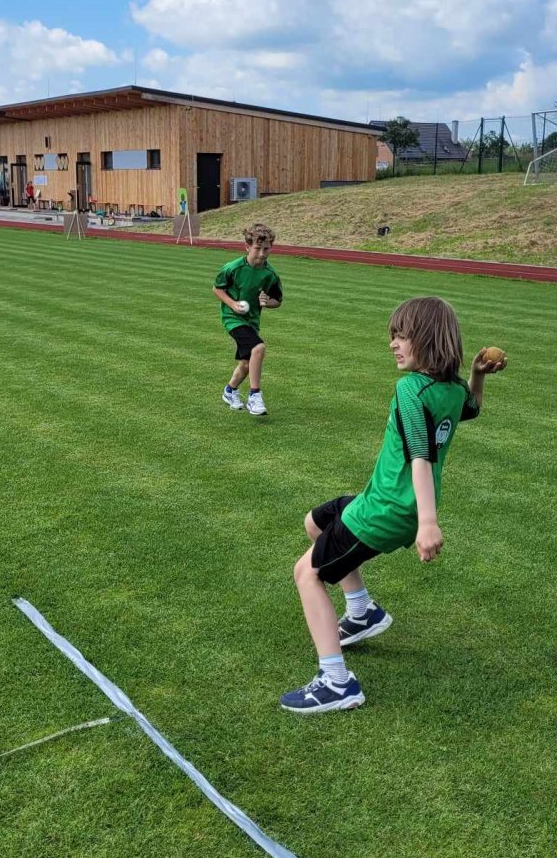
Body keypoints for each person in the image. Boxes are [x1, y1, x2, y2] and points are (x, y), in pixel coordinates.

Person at [278, 297, 507, 714]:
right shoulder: (452, 388)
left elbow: (421, 455)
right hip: (386, 501)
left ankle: (336, 682)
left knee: (306, 573)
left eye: (402, 336)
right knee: (317, 522)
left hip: (388, 509)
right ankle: (362, 612)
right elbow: (471, 409)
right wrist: (476, 375)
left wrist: (428, 523)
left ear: (427, 340)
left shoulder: (410, 389)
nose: (393, 344)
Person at [212, 223, 283, 417]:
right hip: (232, 318)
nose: (262, 253)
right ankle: (255, 395)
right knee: (258, 348)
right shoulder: (233, 268)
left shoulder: (270, 275)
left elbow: (278, 301)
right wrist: (233, 304)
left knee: (246, 363)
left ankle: (230, 391)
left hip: (251, 321)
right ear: (247, 246)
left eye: (266, 249)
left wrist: (267, 302)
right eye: (257, 248)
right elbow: (217, 288)